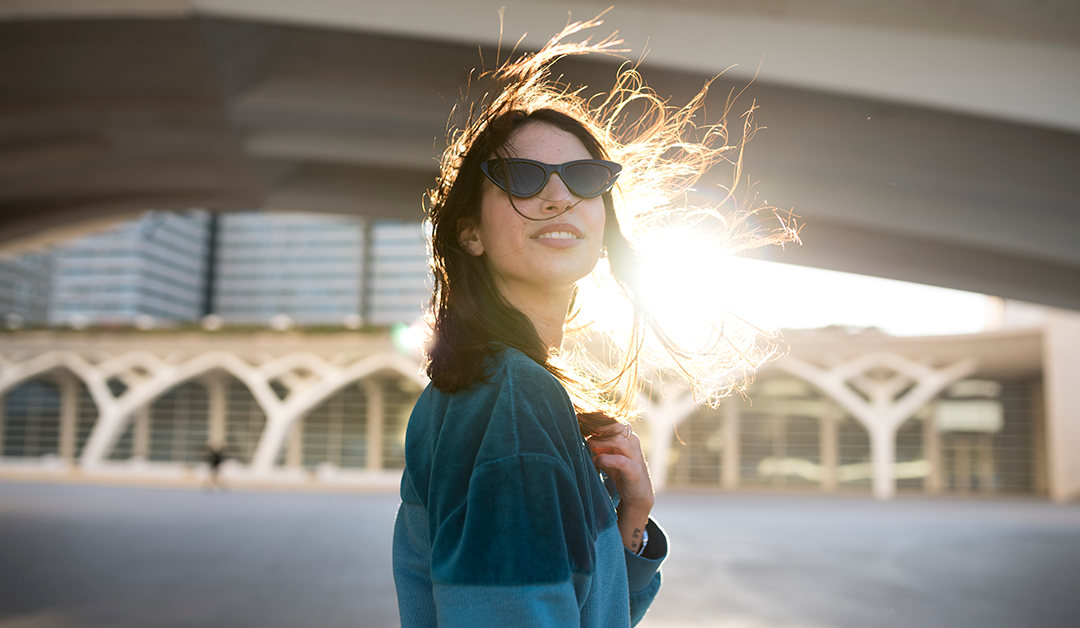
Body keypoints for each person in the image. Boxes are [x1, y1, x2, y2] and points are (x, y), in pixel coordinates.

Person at [393, 15, 796, 628]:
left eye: (584, 179)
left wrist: (629, 518)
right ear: (469, 232)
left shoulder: (483, 389)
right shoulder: (511, 396)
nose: (559, 197)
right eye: (523, 179)